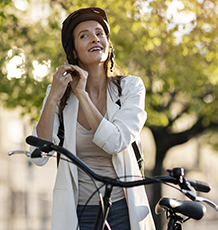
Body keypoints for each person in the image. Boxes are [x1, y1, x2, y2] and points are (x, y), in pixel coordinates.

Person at [30, 7, 155, 230]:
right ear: (74, 51)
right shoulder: (59, 92)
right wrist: (52, 99)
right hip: (79, 208)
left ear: (108, 43)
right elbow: (39, 155)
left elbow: (116, 142)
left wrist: (83, 95)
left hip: (122, 206)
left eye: (100, 33)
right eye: (84, 35)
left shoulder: (130, 87)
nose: (95, 39)